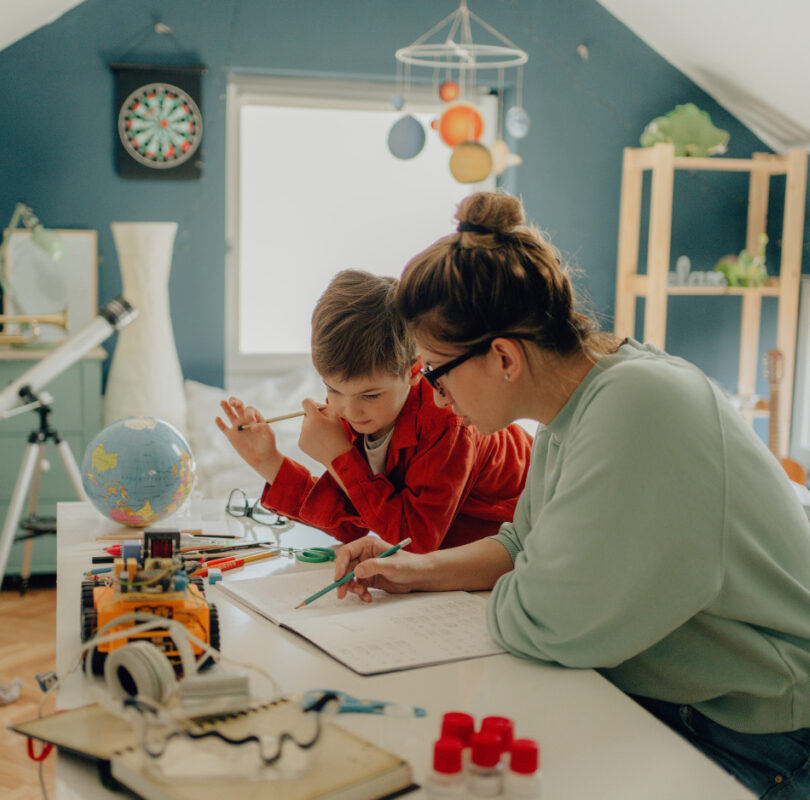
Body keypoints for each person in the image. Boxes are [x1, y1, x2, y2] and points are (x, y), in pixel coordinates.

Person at [332, 191, 810, 798]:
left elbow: (549, 623)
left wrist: (528, 581)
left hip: (761, 737)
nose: (436, 396)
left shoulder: (639, 405)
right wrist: (415, 569)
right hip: (684, 709)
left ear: (503, 357)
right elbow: (520, 545)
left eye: (434, 371)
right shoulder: (571, 411)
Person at [215, 269, 532, 553]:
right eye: (333, 390)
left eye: (370, 394)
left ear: (414, 371)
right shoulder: (357, 412)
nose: (350, 411)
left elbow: (414, 542)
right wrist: (268, 461)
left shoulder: (446, 419)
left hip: (531, 525)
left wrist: (338, 457)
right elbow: (352, 523)